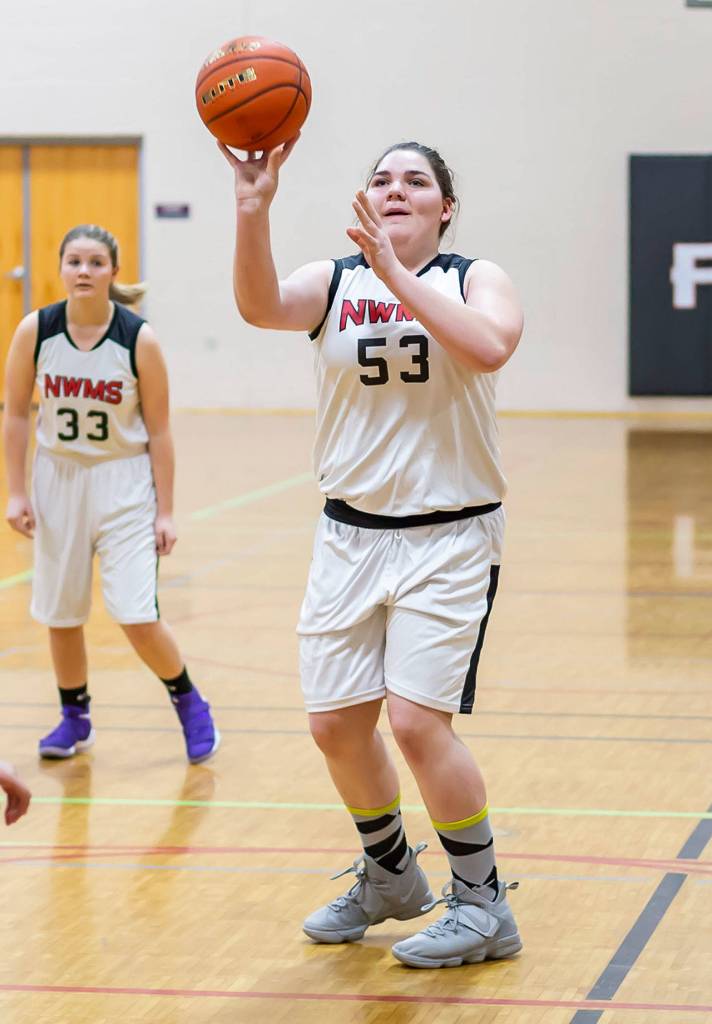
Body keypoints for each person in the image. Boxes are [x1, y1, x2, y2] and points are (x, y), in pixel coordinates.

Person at [221, 137, 523, 969]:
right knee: (336, 727)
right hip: (348, 535)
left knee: (418, 725)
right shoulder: (334, 281)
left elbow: (490, 347)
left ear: (446, 208)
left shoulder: (474, 278)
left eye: (416, 181)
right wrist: (252, 209)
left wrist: (397, 275)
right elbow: (259, 306)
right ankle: (390, 875)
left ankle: (484, 903)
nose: (396, 190)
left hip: (449, 535)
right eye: (382, 179)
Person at [3, 224, 219, 765]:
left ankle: (190, 703)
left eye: (95, 262)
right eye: (74, 261)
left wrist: (166, 511)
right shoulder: (36, 330)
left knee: (135, 611)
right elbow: (15, 415)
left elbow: (160, 431)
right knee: (61, 611)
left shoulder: (138, 338)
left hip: (124, 481)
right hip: (58, 478)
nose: (84, 271)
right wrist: (16, 493)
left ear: (113, 272)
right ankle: (74, 718)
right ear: (61, 268)